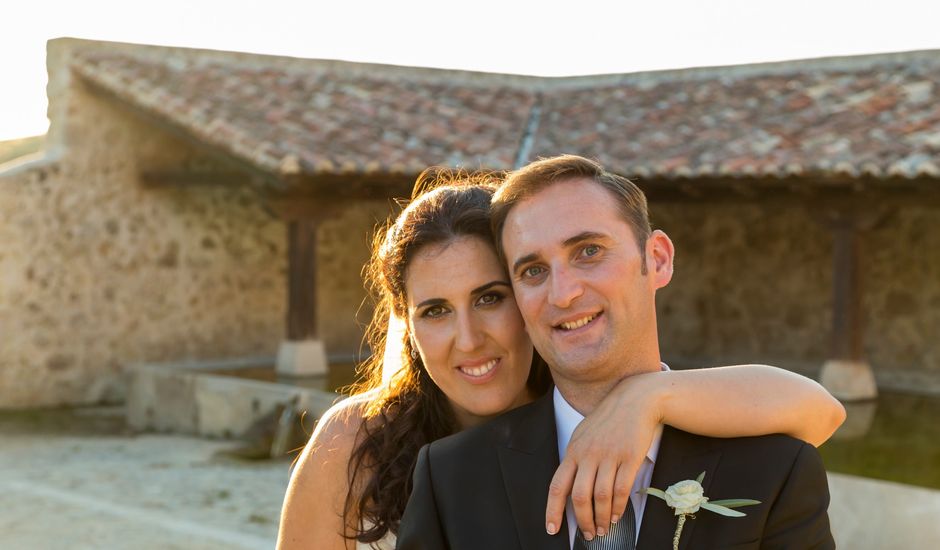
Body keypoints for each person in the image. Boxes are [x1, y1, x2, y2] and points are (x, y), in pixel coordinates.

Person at [278, 171, 844, 550]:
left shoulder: (590, 397)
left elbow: (818, 411)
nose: (469, 339)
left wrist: (643, 398)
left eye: (490, 297)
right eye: (435, 310)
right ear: (406, 322)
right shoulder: (369, 444)